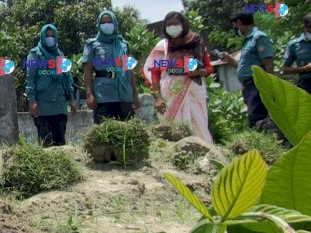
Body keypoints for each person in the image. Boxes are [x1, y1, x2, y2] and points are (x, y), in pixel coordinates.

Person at [143, 12, 214, 143]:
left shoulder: (196, 43)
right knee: (173, 130)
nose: (172, 27)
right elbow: (155, 72)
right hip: (170, 93)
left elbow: (209, 68)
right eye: (169, 25)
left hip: (193, 91)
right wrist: (158, 98)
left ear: (183, 25)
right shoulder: (162, 47)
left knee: (198, 125)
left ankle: (204, 153)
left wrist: (199, 72)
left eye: (175, 24)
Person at [82, 10, 140, 124]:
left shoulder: (123, 45)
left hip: (124, 94)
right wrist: (89, 95)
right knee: (105, 132)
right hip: (103, 95)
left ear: (114, 23)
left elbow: (130, 70)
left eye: (109, 22)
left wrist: (135, 94)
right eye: (103, 23)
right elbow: (87, 72)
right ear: (99, 25)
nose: (106, 25)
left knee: (127, 131)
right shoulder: (92, 45)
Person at [219, 12, 273, 128]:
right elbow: (246, 66)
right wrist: (230, 59)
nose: (235, 29)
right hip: (248, 86)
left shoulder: (258, 37)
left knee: (258, 118)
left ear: (239, 22)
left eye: (235, 25)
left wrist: (269, 86)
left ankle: (265, 141)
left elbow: (268, 63)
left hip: (256, 85)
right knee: (253, 116)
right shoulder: (247, 40)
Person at [26, 24, 76, 146]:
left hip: (60, 105)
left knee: (60, 143)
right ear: (42, 37)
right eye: (47, 36)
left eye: (52, 36)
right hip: (43, 107)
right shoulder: (34, 55)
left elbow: (67, 78)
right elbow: (30, 79)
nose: (50, 38)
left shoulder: (60, 55)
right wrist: (32, 101)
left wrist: (71, 99)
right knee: (45, 145)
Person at [281, 14, 311, 95]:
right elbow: (285, 69)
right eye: (310, 27)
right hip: (306, 85)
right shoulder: (294, 45)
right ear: (305, 26)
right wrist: (304, 68)